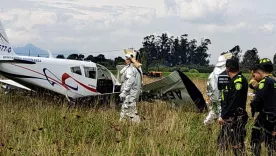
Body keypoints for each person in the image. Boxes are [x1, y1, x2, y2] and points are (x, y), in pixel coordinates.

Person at [217, 59, 248, 156]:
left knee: (235, 144)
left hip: (235, 117)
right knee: (223, 142)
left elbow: (234, 101)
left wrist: (223, 116)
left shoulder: (238, 81)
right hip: (233, 117)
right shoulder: (237, 80)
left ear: (227, 69)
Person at [250, 58, 276, 156]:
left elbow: (258, 101)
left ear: (259, 72)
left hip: (265, 117)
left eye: (254, 75)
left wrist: (253, 109)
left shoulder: (264, 82)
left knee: (255, 139)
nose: (254, 78)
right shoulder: (273, 81)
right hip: (273, 117)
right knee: (271, 144)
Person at [204, 52, 232, 125]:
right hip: (222, 100)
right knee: (222, 118)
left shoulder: (212, 74)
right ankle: (222, 133)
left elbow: (208, 87)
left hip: (214, 100)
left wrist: (208, 97)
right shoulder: (226, 74)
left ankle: (208, 130)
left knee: (213, 114)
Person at [119, 52, 142, 123]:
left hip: (129, 93)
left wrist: (124, 92)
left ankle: (122, 123)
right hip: (133, 94)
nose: (125, 60)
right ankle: (136, 124)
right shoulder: (138, 68)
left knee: (125, 109)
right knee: (132, 110)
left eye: (127, 58)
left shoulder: (131, 69)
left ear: (131, 59)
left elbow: (129, 82)